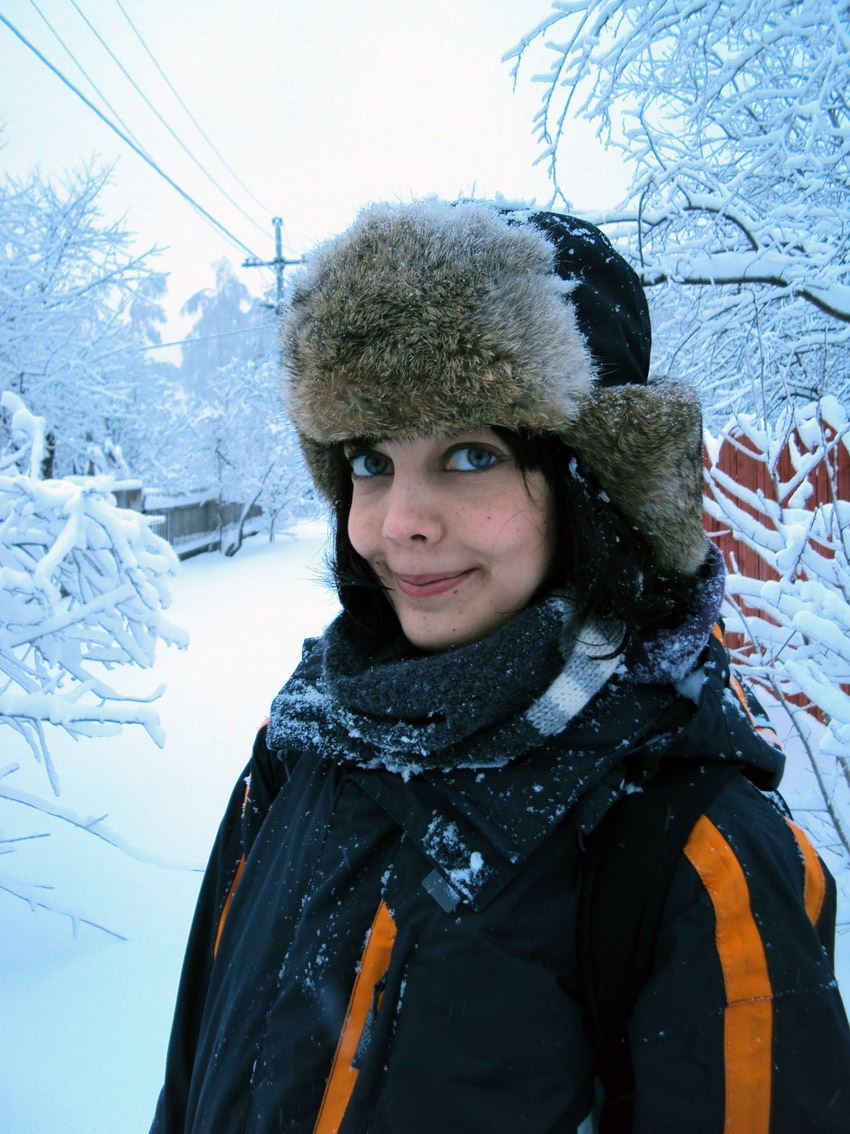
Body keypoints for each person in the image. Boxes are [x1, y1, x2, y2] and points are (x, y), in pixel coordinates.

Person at [151, 200, 850, 1133]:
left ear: (592, 482)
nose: (399, 521)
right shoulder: (304, 748)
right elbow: (191, 1080)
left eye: (470, 454)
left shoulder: (693, 855)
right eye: (369, 459)